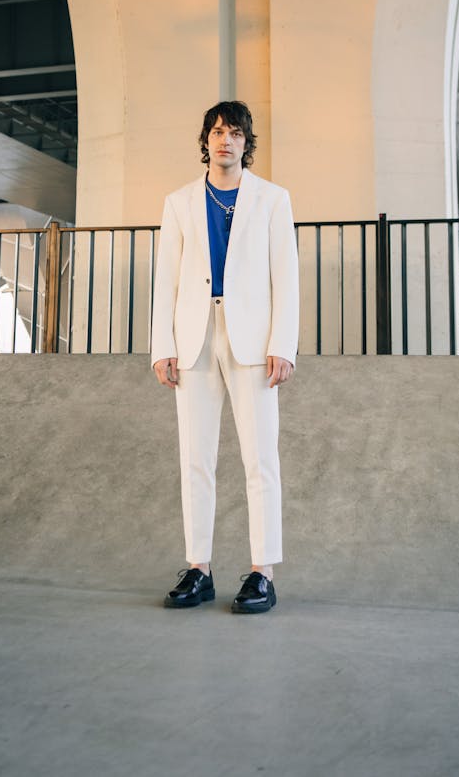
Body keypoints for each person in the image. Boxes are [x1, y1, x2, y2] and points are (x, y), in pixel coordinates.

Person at [151, 100, 299, 614]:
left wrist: (283, 343)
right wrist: (162, 346)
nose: (225, 140)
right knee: (196, 458)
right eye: (217, 131)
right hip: (194, 337)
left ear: (246, 143)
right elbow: (165, 278)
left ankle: (263, 572)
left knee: (261, 458)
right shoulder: (179, 202)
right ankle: (200, 569)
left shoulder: (273, 200)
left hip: (254, 341)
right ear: (206, 140)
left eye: (235, 133)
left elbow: (287, 276)